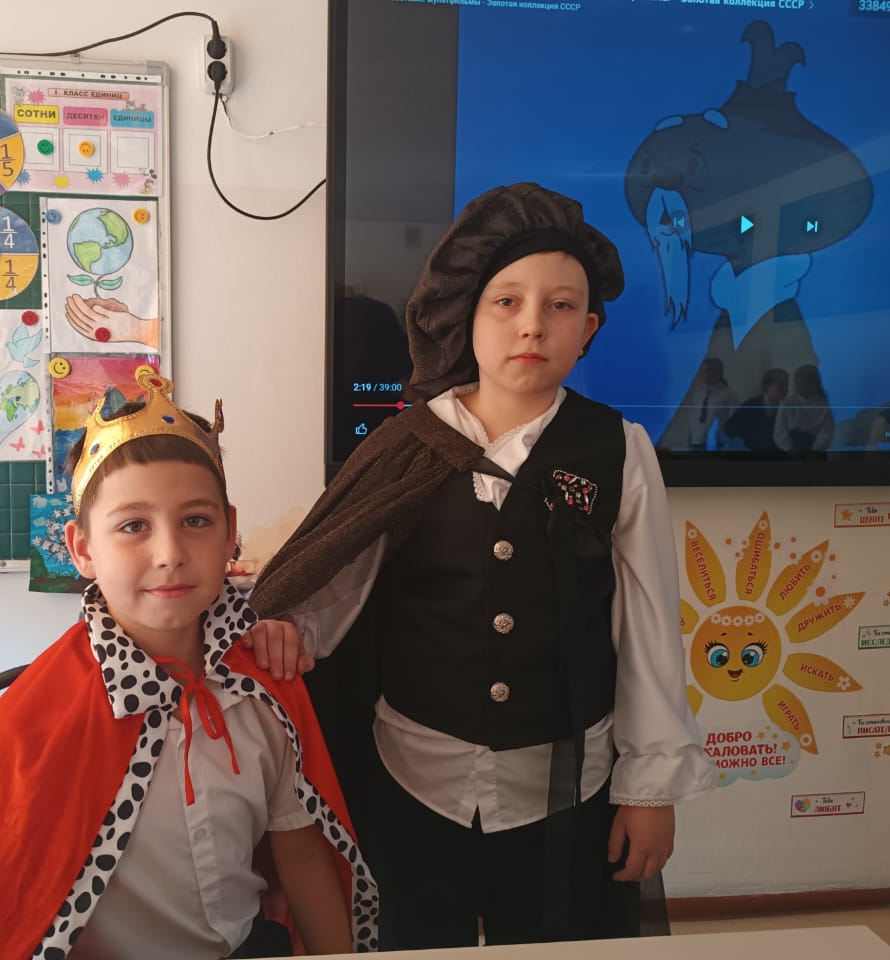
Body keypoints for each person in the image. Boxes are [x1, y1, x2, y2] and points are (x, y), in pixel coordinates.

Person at [246, 183, 713, 949]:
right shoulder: (406, 446)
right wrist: (287, 628)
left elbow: (650, 629)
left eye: (561, 306)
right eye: (507, 302)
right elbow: (333, 584)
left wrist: (650, 789)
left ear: (589, 329)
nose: (533, 324)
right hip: (413, 782)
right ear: (468, 313)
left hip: (564, 791)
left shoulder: (619, 450)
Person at [0, 366, 377, 960]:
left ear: (231, 533)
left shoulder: (267, 690)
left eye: (196, 521)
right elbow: (4, 921)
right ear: (82, 549)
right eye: (133, 526)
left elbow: (302, 854)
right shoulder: (25, 730)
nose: (170, 553)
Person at [720, 367, 788, 452]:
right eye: (780, 385)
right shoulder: (750, 405)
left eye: (787, 385)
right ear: (767, 387)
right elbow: (729, 429)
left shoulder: (788, 408)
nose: (785, 390)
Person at [774, 363, 833, 452]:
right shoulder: (787, 403)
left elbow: (826, 433)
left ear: (816, 384)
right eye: (798, 384)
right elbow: (779, 431)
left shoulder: (824, 406)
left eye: (806, 384)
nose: (801, 387)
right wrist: (789, 449)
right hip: (790, 448)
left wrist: (815, 450)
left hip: (815, 449)